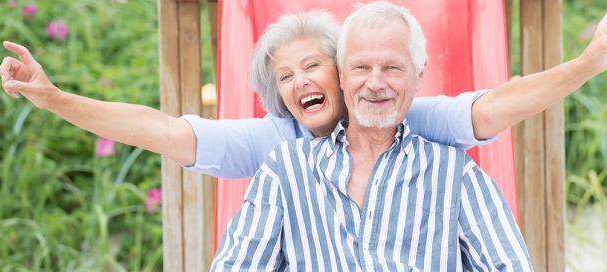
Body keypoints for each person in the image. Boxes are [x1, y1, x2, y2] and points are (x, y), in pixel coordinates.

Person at [0, 0, 607, 181]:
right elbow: (161, 129)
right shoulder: (270, 141)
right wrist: (53, 98)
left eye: (312, 67)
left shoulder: (410, 119)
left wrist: (587, 63)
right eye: (284, 77)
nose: (301, 81)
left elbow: (502, 101)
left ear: (341, 76)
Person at [211, 2, 533, 271]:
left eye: (392, 68)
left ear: (419, 74)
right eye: (361, 67)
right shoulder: (284, 170)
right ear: (341, 73)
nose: (375, 83)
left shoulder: (455, 175)